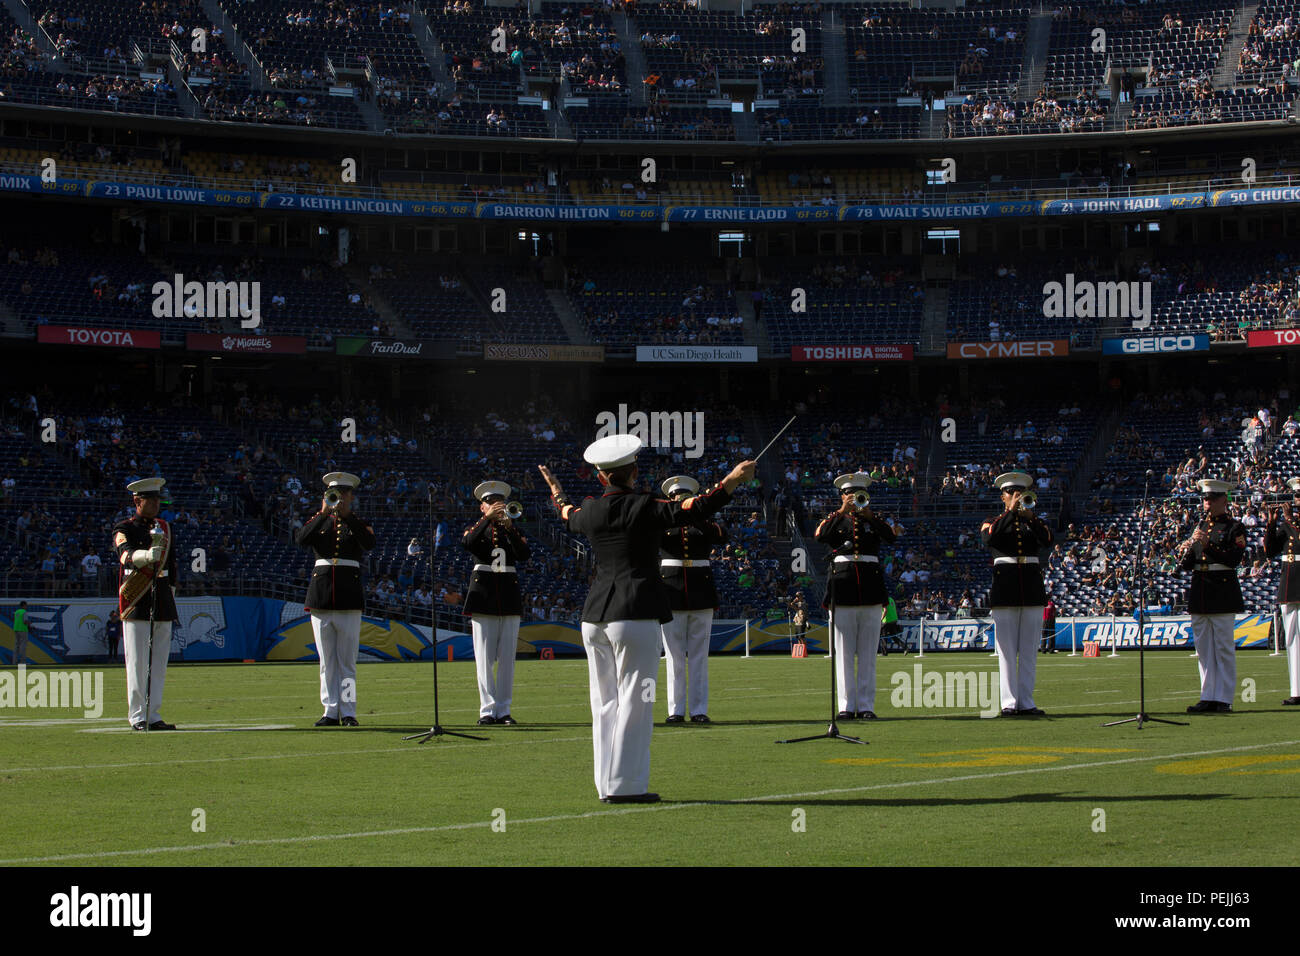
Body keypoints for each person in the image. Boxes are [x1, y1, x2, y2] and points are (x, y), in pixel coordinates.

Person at [539, 435, 754, 804]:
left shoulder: (589, 510)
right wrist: (732, 480)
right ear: (633, 472)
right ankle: (627, 786)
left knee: (604, 703)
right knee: (637, 701)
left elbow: (567, 514)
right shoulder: (645, 505)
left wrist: (557, 492)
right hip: (634, 612)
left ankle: (605, 783)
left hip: (593, 617)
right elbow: (695, 507)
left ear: (601, 478)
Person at [814, 473, 898, 719]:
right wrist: (841, 510)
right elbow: (821, 536)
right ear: (842, 496)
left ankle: (866, 705)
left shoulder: (873, 520)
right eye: (850, 494)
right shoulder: (835, 520)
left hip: (871, 589)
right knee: (843, 653)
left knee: (868, 652)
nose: (855, 499)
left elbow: (891, 537)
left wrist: (870, 515)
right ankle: (845, 706)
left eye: (859, 494)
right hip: (843, 588)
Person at [295, 472, 375, 727]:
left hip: (349, 596)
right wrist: (322, 513)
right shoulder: (320, 522)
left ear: (351, 497)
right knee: (326, 661)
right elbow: (301, 539)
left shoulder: (358, 523)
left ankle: (348, 711)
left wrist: (347, 516)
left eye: (344, 494)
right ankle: (330, 710)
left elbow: (368, 542)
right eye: (334, 494)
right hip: (321, 595)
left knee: (347, 662)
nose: (339, 499)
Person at [982, 471, 1053, 717]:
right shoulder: (993, 520)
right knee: (1007, 652)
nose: (1016, 498)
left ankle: (1027, 701)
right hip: (1005, 588)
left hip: (1031, 587)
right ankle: (1009, 702)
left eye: (1019, 494)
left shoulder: (1033, 521)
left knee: (1029, 650)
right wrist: (1011, 512)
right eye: (1011, 494)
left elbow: (1048, 540)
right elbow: (989, 539)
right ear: (1003, 497)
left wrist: (1030, 517)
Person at [658, 475, 727, 724]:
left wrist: (697, 513)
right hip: (671, 592)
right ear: (671, 499)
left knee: (699, 656)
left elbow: (722, 536)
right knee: (674, 657)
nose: (681, 500)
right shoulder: (663, 523)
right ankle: (675, 710)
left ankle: (698, 710)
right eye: (677, 497)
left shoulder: (703, 523)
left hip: (700, 591)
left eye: (686, 496)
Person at [112, 477, 178, 730]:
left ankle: (154, 714)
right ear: (137, 501)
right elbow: (124, 555)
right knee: (138, 661)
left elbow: (172, 566)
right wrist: (145, 556)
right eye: (149, 500)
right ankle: (138, 715)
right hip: (136, 597)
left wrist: (171, 593)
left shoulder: (166, 527)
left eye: (157, 499)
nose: (155, 504)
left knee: (159, 661)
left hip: (161, 596)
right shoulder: (124, 527)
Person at [462, 480, 530, 725]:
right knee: (484, 658)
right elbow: (468, 545)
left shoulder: (511, 529)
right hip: (483, 596)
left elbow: (524, 555)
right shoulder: (475, 528)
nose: (495, 506)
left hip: (508, 597)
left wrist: (510, 527)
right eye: (489, 503)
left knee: (507, 659)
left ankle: (504, 709)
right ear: (482, 507)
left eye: (497, 502)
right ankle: (487, 709)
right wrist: (486, 520)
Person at [1180, 479, 1246, 713]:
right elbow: (1187, 566)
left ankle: (1224, 698)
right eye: (1205, 499)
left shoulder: (1234, 527)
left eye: (1211, 499)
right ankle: (1207, 695)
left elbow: (1233, 560)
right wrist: (1187, 549)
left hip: (1222, 590)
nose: (1206, 503)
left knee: (1224, 648)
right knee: (1204, 649)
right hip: (1201, 590)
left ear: (1223, 500)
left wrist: (1207, 545)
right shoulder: (1201, 526)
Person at [1264, 477, 1300, 705]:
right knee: (1292, 639)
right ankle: (1297, 690)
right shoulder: (1287, 525)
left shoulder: (1292, 524)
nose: (1297, 500)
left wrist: (1289, 522)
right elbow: (1270, 552)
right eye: (1296, 496)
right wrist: (1271, 523)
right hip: (1290, 582)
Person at [12, 600, 28, 665]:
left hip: (16, 629)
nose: (26, 607)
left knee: (16, 646)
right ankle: (23, 662)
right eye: (26, 605)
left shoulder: (16, 612)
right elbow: (25, 621)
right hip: (23, 630)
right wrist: (30, 624)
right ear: (24, 605)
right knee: (23, 646)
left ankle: (14, 662)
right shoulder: (24, 612)